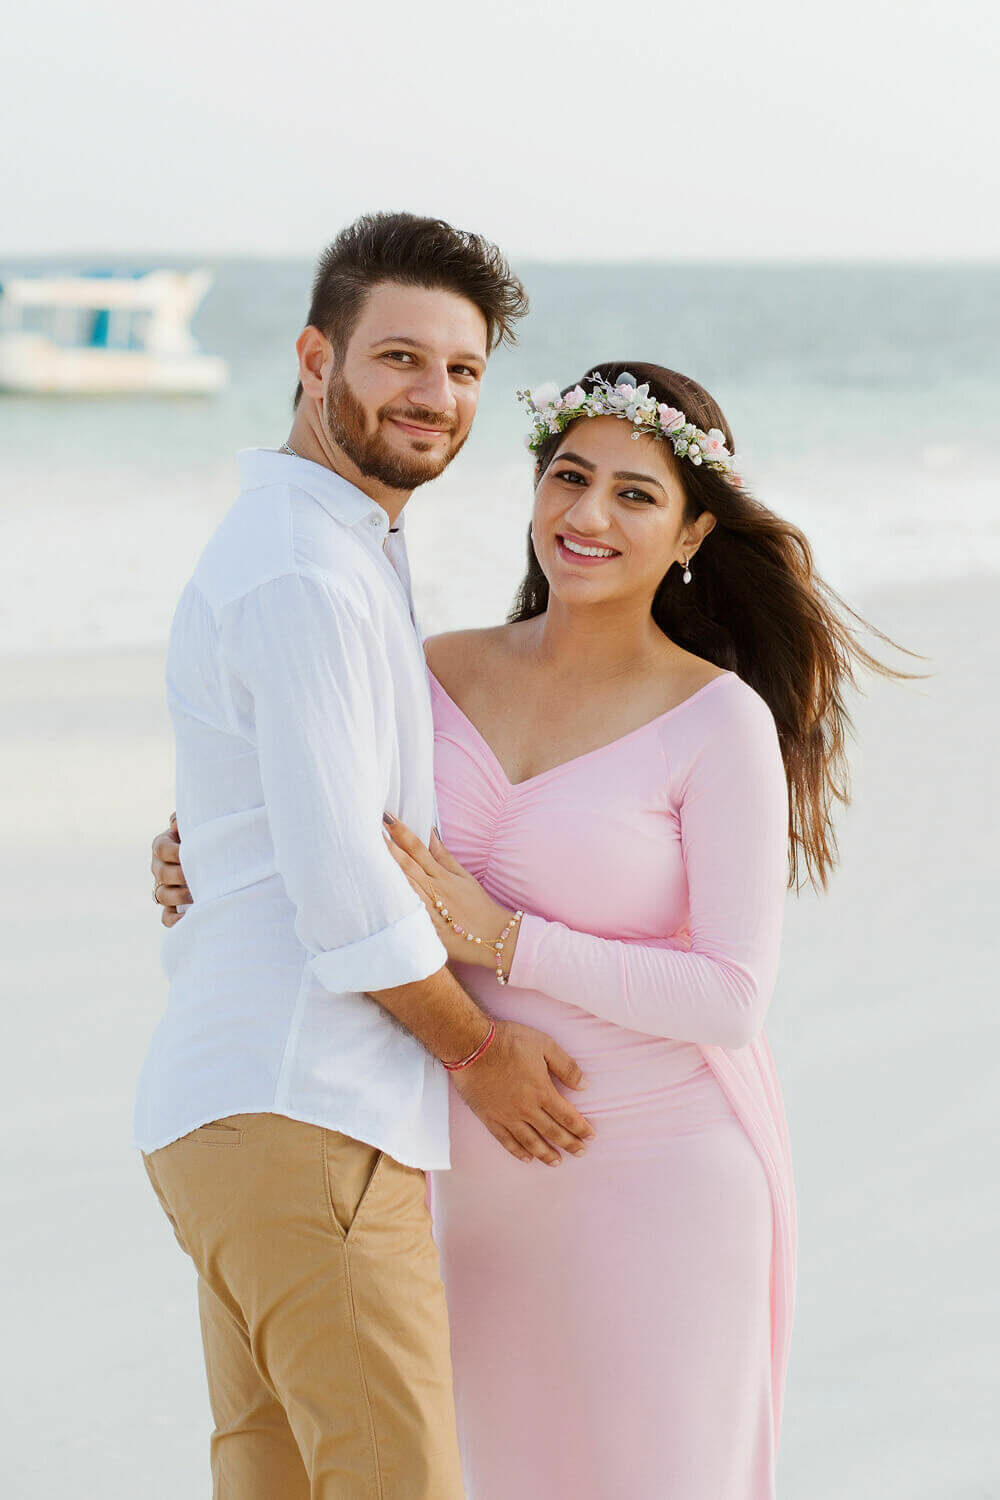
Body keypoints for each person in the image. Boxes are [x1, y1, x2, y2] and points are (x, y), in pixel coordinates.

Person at [154, 363, 906, 1497]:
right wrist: (195, 860)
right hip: (469, 1167)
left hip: (659, 1171)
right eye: (567, 477)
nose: (587, 517)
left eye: (635, 494)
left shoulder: (719, 722)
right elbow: (308, 812)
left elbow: (728, 997)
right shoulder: (430, 671)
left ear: (692, 529)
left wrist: (506, 939)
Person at [137, 211, 595, 1500]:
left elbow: (271, 817)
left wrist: (201, 858)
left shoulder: (343, 550)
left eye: (460, 370)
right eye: (399, 358)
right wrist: (480, 1050)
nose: (432, 396)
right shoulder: (306, 570)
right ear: (311, 355)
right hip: (305, 1107)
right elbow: (345, 880)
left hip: (248, 1112)